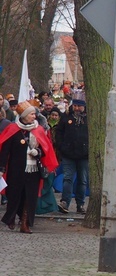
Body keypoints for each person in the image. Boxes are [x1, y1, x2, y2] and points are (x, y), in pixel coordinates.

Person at [0, 101, 58, 233]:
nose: (34, 116)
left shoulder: (38, 130)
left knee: (29, 195)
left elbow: (46, 148)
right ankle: (11, 216)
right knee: (14, 194)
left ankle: (25, 222)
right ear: (25, 116)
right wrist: (1, 168)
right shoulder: (13, 129)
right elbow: (5, 151)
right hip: (16, 168)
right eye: (31, 114)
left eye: (34, 114)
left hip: (33, 169)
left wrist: (38, 152)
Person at [55, 94, 89, 214]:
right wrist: (62, 146)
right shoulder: (66, 117)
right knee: (67, 178)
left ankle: (80, 204)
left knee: (82, 180)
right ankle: (65, 202)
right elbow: (58, 132)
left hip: (84, 155)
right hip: (68, 153)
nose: (77, 108)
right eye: (75, 105)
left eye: (79, 106)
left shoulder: (88, 118)